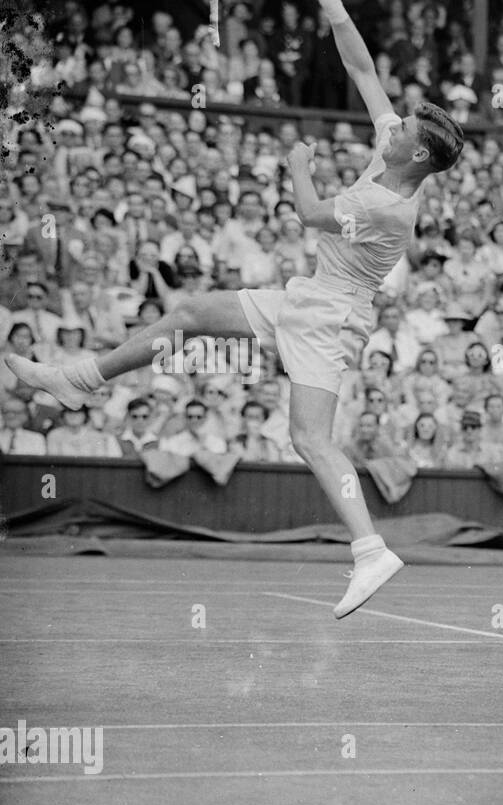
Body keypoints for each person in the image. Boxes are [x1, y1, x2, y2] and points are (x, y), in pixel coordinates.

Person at [5, 0, 464, 619]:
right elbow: (361, 68)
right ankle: (78, 380)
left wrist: (299, 164)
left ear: (417, 157)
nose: (394, 123)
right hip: (309, 298)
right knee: (191, 313)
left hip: (332, 316)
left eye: (405, 127)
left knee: (310, 439)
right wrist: (335, 9)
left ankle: (371, 549)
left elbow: (307, 213)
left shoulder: (392, 210)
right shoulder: (396, 151)